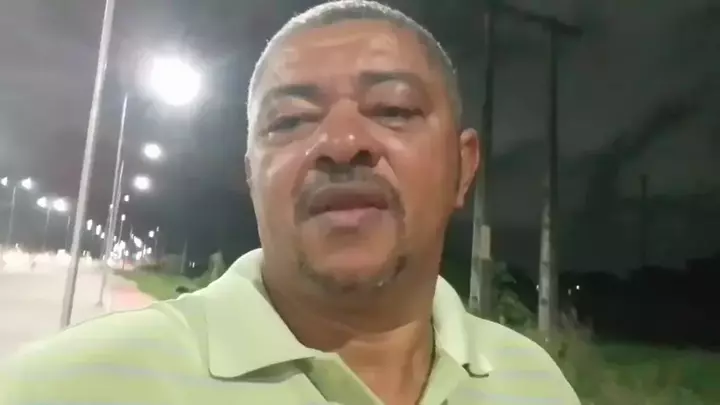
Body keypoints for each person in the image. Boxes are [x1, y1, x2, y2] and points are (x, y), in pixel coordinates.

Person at [0, 1, 580, 404]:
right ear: (252, 177)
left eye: (394, 109)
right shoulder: (67, 388)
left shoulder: (536, 384)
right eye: (292, 119)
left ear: (463, 169)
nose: (342, 143)